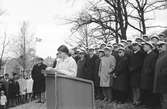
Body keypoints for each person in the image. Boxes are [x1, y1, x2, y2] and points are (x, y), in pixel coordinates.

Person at [140, 42, 159, 108]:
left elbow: (153, 67)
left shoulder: (154, 55)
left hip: (149, 77)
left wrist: (147, 72)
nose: (143, 47)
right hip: (145, 77)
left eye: (145, 46)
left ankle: (151, 105)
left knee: (149, 91)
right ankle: (147, 103)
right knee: (146, 91)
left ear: (149, 47)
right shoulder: (146, 54)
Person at [153, 41, 167, 109]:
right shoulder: (160, 55)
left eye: (161, 46)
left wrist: (162, 73)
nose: (159, 48)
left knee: (165, 98)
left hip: (164, 80)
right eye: (158, 46)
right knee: (162, 97)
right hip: (159, 80)